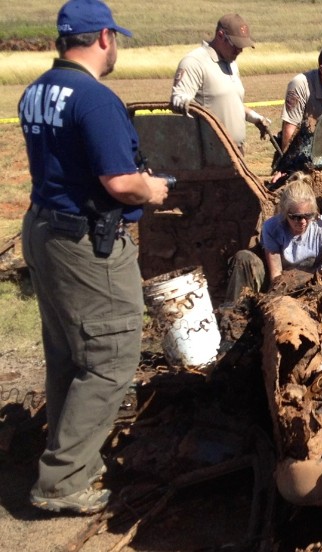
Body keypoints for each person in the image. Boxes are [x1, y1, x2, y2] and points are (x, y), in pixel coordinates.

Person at [19, 0, 170, 515]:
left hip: (46, 228)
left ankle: (70, 461)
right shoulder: (95, 99)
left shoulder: (37, 90)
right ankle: (62, 481)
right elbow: (120, 182)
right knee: (110, 358)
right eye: (116, 39)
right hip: (88, 242)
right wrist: (151, 190)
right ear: (104, 38)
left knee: (68, 353)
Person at [225, 176, 322, 302]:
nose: (303, 222)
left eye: (308, 215)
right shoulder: (272, 227)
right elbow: (276, 276)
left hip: (315, 285)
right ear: (285, 213)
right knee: (243, 258)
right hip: (283, 284)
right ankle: (235, 312)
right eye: (296, 217)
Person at [170, 14, 272, 151]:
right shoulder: (194, 62)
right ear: (220, 35)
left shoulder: (231, 63)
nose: (240, 50)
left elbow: (226, 102)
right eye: (236, 45)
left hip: (236, 152)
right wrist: (181, 101)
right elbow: (179, 99)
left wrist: (253, 117)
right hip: (211, 154)